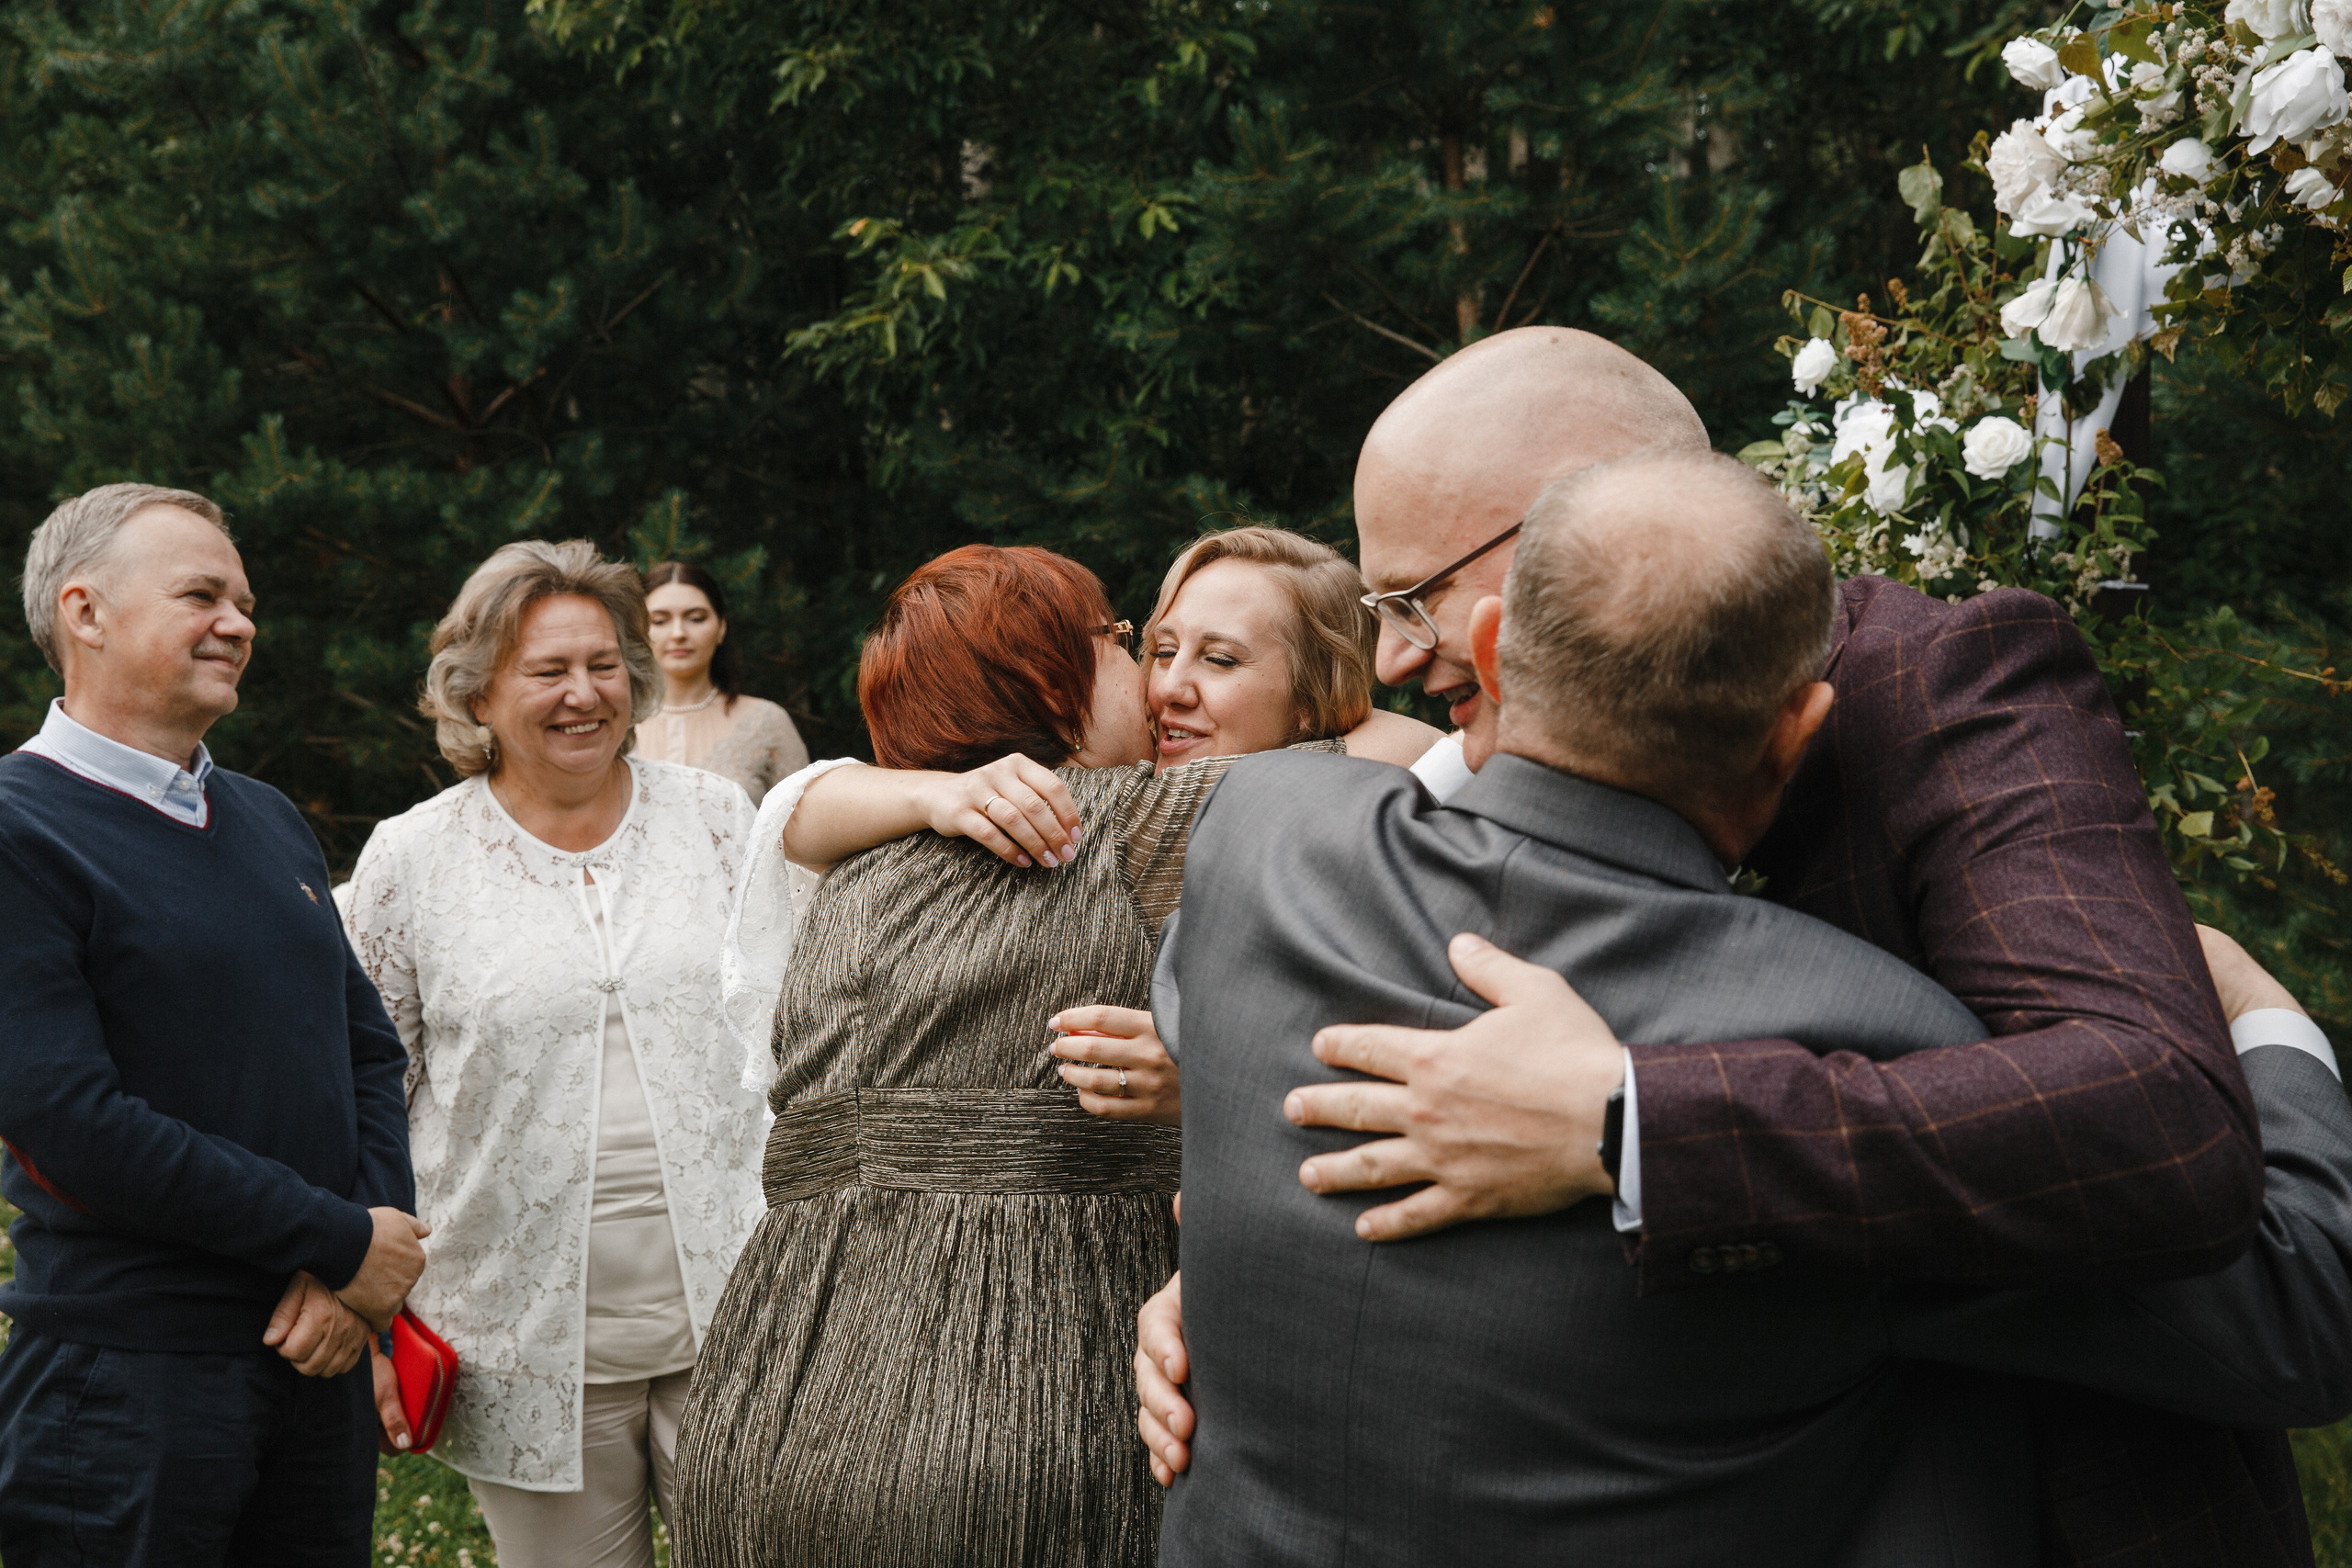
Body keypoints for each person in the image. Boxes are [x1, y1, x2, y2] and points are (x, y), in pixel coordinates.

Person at [1133, 326, 2315, 1563]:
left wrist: (1635, 1120)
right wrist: (1240, 1266)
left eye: (1410, 595)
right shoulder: (1389, 802)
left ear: (1583, 534)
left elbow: (2197, 1180)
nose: (1388, 656)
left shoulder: (1947, 697)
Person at [672, 542, 1429, 1568]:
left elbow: (793, 810)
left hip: (758, 1404)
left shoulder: (850, 872)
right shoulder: (1129, 824)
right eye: (1130, 643)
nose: (1158, 680)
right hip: (1010, 1410)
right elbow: (1433, 755)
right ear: (1051, 681)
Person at [0, 482, 423, 1566]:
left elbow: (366, 1050)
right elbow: (73, 1122)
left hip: (314, 1359)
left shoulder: (266, 817)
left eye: (244, 600)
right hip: (129, 1381)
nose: (239, 623)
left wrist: (357, 1269)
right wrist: (336, 1243)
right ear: (84, 613)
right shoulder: (19, 834)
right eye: (201, 595)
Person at [342, 540, 768, 1568]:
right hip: (517, 1342)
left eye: (604, 665)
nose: (584, 694)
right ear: (476, 695)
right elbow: (360, 1095)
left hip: (739, 1320)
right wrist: (366, 1316)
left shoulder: (715, 818)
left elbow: (784, 1034)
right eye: (547, 671)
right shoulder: (410, 860)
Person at [634, 559, 808, 802]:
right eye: (659, 621)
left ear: (721, 627)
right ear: (639, 631)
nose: (678, 634)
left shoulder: (765, 721)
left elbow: (804, 826)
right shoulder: (617, 725)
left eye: (695, 618)